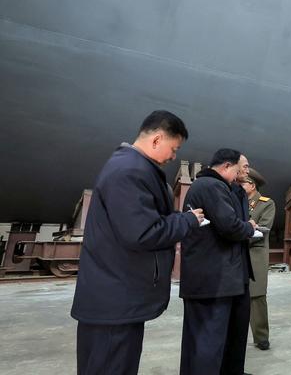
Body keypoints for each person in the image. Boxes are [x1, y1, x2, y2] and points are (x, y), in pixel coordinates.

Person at [71, 110, 204, 375]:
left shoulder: (130, 167)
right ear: (156, 140)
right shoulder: (129, 172)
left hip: (116, 296)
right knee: (112, 365)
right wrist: (188, 221)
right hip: (114, 301)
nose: (173, 157)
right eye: (173, 149)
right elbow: (142, 233)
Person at [179, 148, 257, 375]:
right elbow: (230, 225)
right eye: (239, 168)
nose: (241, 175)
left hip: (222, 276)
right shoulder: (211, 186)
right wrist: (249, 228)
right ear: (226, 166)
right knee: (207, 342)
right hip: (212, 279)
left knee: (220, 338)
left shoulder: (217, 186)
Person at [242, 167, 276, 351]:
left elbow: (262, 230)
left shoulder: (266, 204)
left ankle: (261, 337)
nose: (239, 185)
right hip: (237, 254)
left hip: (255, 254)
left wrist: (238, 230)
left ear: (252, 185)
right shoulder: (236, 201)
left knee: (257, 297)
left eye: (242, 183)